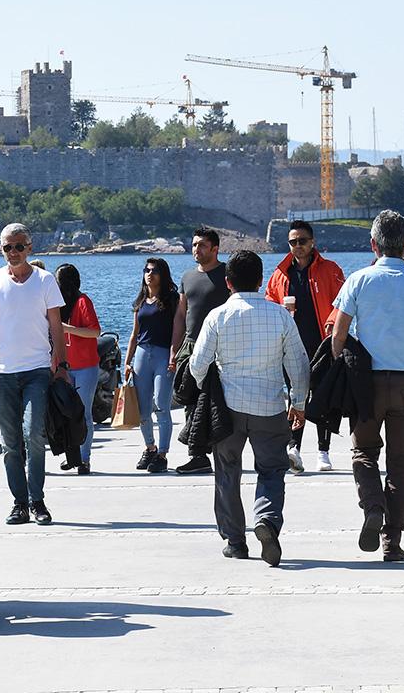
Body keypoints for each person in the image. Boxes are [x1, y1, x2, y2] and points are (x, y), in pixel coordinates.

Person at [331, 210, 404, 564]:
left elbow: (338, 333)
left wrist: (340, 369)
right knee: (401, 464)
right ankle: (391, 543)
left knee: (364, 452)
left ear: (373, 244)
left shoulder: (358, 280)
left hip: (366, 384)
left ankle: (373, 505)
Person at [189, 250, 309, 567]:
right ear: (260, 280)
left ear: (228, 283)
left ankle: (235, 541)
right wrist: (298, 402)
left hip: (227, 408)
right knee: (272, 470)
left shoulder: (217, 317)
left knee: (227, 471)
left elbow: (197, 366)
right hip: (269, 407)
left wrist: (207, 384)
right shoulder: (280, 316)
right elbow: (299, 364)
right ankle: (266, 520)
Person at [0, 223, 66, 525]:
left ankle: (37, 500)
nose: (13, 252)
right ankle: (19, 503)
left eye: (18, 246)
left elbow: (56, 324)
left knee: (34, 434)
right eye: (7, 247)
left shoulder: (44, 280)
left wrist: (61, 362)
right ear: (1, 250)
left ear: (30, 247)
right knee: (10, 442)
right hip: (1, 372)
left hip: (37, 370)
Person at [265, 220, 346, 474]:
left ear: (312, 242)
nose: (297, 246)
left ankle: (323, 451)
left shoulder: (330, 269)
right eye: (292, 242)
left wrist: (333, 325)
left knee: (323, 398)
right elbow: (269, 300)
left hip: (322, 344)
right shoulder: (280, 274)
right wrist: (280, 310)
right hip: (291, 345)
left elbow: (342, 302)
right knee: (295, 398)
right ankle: (293, 448)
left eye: (302, 241)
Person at [169, 227, 230, 475]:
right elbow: (181, 315)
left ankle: (222, 450)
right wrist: (175, 349)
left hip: (220, 346)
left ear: (215, 249)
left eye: (202, 245)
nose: (197, 249)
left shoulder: (227, 274)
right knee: (189, 399)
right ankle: (196, 455)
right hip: (191, 346)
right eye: (194, 245)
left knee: (218, 401)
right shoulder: (187, 277)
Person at [124, 257, 178, 474]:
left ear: (162, 274)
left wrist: (174, 355)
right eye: (146, 270)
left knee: (162, 405)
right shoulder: (140, 301)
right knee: (143, 409)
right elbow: (134, 335)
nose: (149, 274)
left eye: (154, 270)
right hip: (142, 355)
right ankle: (150, 448)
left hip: (163, 354)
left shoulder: (172, 300)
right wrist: (127, 362)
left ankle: (163, 454)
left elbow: (177, 329)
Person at [55, 263, 102, 475]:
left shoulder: (83, 301)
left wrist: (67, 329)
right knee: (65, 415)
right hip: (64, 366)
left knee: (83, 414)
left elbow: (95, 332)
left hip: (85, 366)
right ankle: (72, 457)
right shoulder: (57, 305)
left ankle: (84, 459)